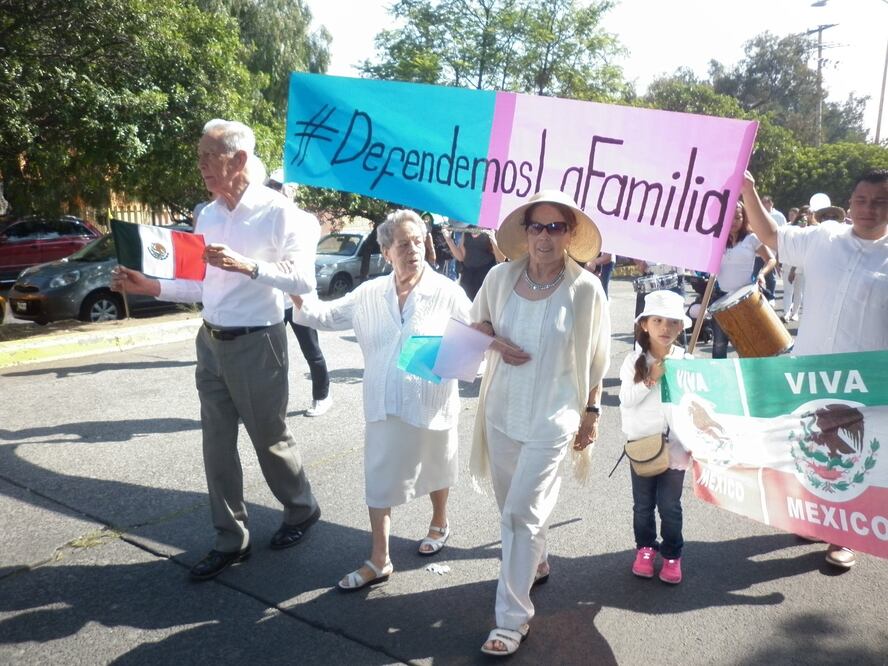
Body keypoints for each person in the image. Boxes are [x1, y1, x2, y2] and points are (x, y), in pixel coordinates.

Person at [111, 119, 321, 581]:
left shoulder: (280, 213)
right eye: (200, 156)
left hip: (258, 342)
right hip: (211, 340)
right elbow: (200, 284)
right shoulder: (206, 215)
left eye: (210, 155)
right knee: (217, 445)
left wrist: (249, 265)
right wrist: (152, 286)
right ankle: (231, 538)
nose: (202, 164)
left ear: (239, 159)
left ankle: (301, 508)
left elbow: (304, 280)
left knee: (269, 439)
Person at [293, 210, 471, 591]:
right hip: (383, 401)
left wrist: (438, 359)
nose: (414, 250)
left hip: (432, 401)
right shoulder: (370, 293)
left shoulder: (447, 291)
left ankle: (439, 521)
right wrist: (293, 286)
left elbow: (476, 340)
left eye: (418, 241)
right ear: (386, 252)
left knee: (437, 463)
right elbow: (323, 315)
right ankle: (379, 558)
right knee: (378, 477)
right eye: (403, 244)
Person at [469, 190, 610, 656]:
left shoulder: (586, 289)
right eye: (537, 227)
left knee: (520, 515)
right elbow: (476, 325)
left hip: (553, 417)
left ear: (570, 234)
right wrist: (494, 342)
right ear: (525, 232)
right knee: (512, 507)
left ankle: (511, 621)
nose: (544, 237)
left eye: (555, 227)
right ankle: (538, 560)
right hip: (501, 412)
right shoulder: (499, 277)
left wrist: (591, 413)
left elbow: (597, 360)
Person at [742, 169, 888, 571]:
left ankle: (846, 537)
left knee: (854, 459)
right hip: (809, 374)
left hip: (864, 383)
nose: (869, 209)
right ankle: (817, 521)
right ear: (850, 202)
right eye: (862, 200)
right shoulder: (824, 239)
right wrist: (748, 189)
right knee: (811, 454)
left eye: (880, 201)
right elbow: (771, 235)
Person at [619, 290, 693, 585]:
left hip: (676, 447)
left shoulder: (686, 360)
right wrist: (651, 378)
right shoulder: (633, 360)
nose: (665, 327)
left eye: (673, 322)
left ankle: (673, 555)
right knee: (642, 505)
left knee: (670, 506)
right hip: (643, 447)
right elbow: (626, 400)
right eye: (658, 320)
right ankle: (646, 549)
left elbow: (695, 405)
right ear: (645, 325)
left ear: (681, 326)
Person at [265, 171, 332, 417]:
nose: (274, 190)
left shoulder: (306, 220)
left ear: (292, 191)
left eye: (278, 186)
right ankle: (272, 404)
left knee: (311, 351)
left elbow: (298, 259)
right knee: (271, 357)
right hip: (273, 297)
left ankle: (322, 396)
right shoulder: (265, 218)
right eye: (271, 186)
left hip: (299, 296)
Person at [711, 201, 776, 359]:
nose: (733, 222)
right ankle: (719, 374)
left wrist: (761, 274)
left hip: (745, 299)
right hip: (721, 297)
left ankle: (747, 373)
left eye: (738, 217)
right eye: (729, 217)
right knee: (719, 344)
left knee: (747, 345)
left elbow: (771, 259)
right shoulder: (717, 239)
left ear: (744, 218)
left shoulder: (751, 238)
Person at [444, 223, 504, 300]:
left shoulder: (492, 229)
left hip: (485, 277)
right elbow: (461, 257)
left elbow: (501, 259)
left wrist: (493, 240)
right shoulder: (468, 229)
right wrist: (449, 240)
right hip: (467, 278)